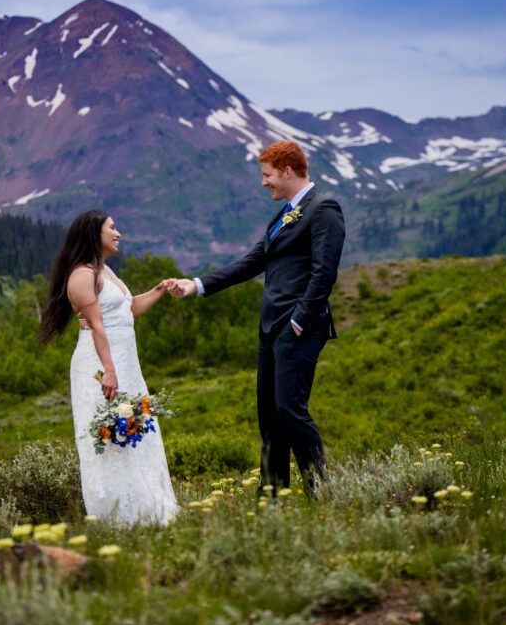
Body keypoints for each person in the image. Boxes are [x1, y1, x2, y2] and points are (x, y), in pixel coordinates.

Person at [169, 140, 345, 495]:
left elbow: (324, 272)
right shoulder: (284, 214)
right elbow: (253, 261)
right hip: (270, 329)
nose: (264, 183)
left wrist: (299, 319)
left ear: (287, 171)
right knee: (270, 419)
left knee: (290, 410)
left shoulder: (324, 208)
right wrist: (198, 285)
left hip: (299, 328)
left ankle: (322, 491)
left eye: (267, 175)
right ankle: (271, 498)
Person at [38, 210, 178, 525]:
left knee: (135, 429)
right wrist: (110, 371)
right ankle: (118, 515)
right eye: (112, 228)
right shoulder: (81, 275)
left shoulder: (106, 271)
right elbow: (98, 327)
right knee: (110, 435)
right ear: (94, 233)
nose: (118, 234)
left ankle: (148, 508)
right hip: (100, 366)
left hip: (125, 363)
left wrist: (159, 289)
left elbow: (128, 310)